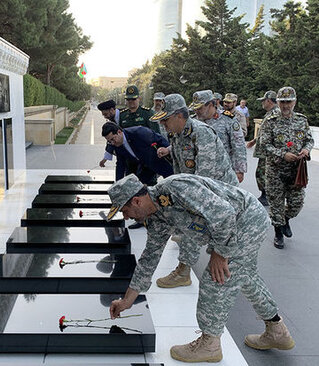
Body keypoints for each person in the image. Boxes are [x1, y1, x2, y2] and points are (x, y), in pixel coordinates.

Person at [107, 174, 295, 363]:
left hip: (245, 220)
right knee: (246, 276)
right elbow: (149, 258)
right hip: (233, 227)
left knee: (216, 279)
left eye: (125, 211)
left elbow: (224, 213)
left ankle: (210, 345)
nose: (126, 217)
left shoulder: (176, 188)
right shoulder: (157, 216)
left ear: (136, 201)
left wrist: (220, 253)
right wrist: (127, 300)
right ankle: (276, 330)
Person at [150, 93, 238, 289]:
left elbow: (202, 181)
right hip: (201, 186)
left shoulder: (201, 132)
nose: (163, 123)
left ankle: (183, 272)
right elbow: (184, 153)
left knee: (192, 221)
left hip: (220, 191)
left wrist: (184, 202)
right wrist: (169, 151)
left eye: (166, 119)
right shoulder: (178, 133)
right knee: (191, 224)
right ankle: (198, 267)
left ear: (179, 116)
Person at [260, 86, 314, 249]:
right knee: (276, 203)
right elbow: (264, 144)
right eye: (282, 102)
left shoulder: (301, 120)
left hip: (296, 171)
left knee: (297, 203)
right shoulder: (270, 121)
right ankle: (278, 233)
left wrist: (306, 149)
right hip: (275, 171)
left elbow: (309, 140)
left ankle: (285, 220)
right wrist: (282, 154)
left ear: (294, 102)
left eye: (288, 102)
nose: (285, 105)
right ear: (277, 102)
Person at [192, 90, 247, 183]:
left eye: (199, 108)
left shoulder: (228, 119)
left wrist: (239, 170)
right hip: (199, 173)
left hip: (223, 173)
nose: (196, 111)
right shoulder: (193, 121)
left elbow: (238, 145)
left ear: (210, 105)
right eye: (195, 109)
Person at [101, 122, 173, 185]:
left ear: (119, 132)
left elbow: (159, 139)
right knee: (141, 190)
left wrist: (169, 151)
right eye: (109, 141)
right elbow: (120, 164)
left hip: (160, 161)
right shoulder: (117, 146)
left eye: (113, 139)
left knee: (172, 182)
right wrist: (118, 183)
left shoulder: (139, 132)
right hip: (144, 168)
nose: (112, 143)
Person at [247, 91, 279, 206]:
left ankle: (267, 196)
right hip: (266, 151)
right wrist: (255, 140)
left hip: (269, 152)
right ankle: (266, 195)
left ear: (269, 101)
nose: (262, 103)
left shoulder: (275, 113)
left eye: (263, 101)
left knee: (264, 173)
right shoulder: (271, 113)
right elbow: (265, 131)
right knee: (262, 173)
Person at [97, 99, 120, 168]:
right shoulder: (111, 122)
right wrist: (105, 159)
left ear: (112, 110)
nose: (105, 117)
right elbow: (111, 140)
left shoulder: (126, 116)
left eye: (106, 114)